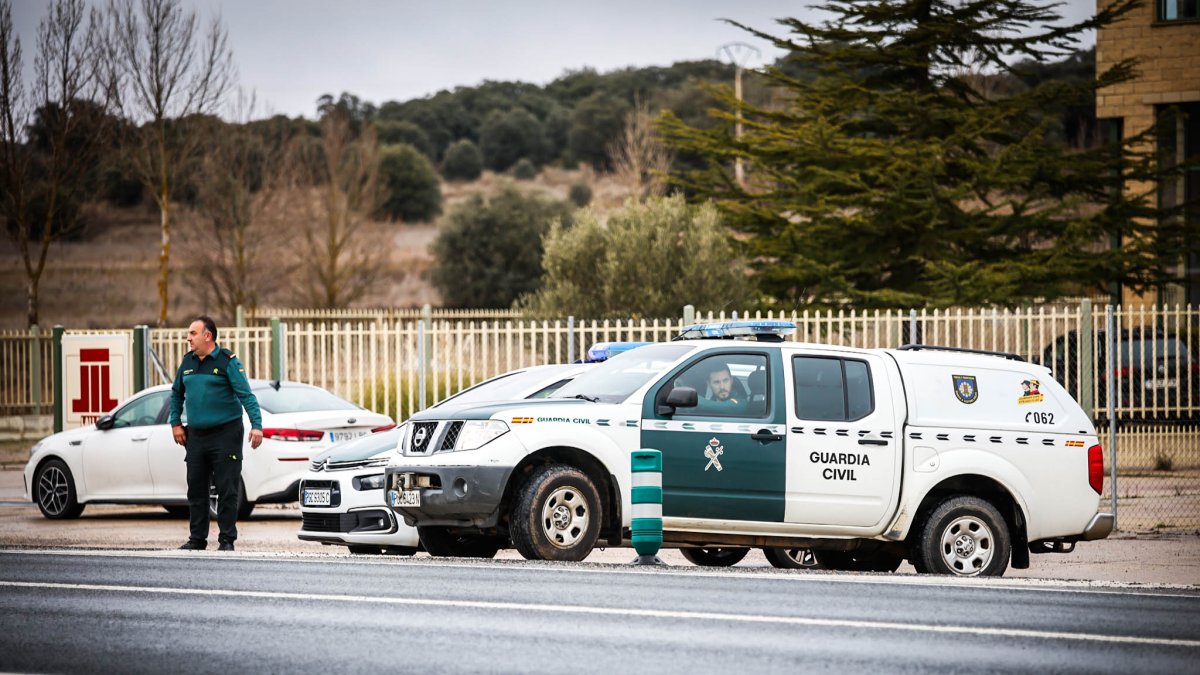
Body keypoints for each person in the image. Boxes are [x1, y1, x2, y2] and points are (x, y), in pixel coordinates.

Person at [169, 316, 263, 552]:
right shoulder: (187, 362)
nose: (188, 338)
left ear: (207, 336)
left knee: (227, 489)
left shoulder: (227, 362)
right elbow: (176, 394)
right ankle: (197, 540)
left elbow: (246, 396)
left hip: (226, 435)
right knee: (196, 489)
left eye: (192, 333)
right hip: (196, 437)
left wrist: (257, 425)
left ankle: (226, 540)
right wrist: (175, 423)